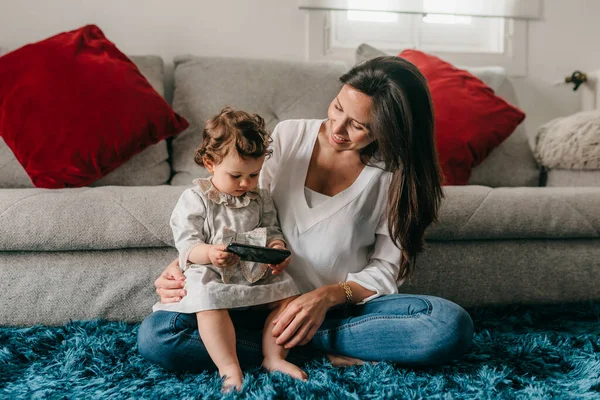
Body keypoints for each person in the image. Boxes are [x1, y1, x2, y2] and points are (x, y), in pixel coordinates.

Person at [138, 56, 474, 376]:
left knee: (444, 325)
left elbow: (386, 268)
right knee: (159, 336)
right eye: (338, 107)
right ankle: (303, 348)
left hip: (340, 313)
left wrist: (326, 297)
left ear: (390, 131)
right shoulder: (289, 136)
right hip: (257, 301)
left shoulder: (394, 176)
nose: (337, 128)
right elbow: (236, 208)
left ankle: (291, 343)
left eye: (358, 125)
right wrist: (189, 263)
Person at [151, 107, 306, 391]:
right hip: (214, 273)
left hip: (254, 271)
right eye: (236, 176)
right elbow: (187, 244)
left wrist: (276, 248)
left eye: (254, 174)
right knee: (209, 302)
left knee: (289, 297)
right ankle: (229, 367)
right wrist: (209, 253)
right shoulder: (196, 198)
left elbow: (272, 228)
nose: (246, 183)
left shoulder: (259, 198)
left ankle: (273, 357)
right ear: (210, 163)